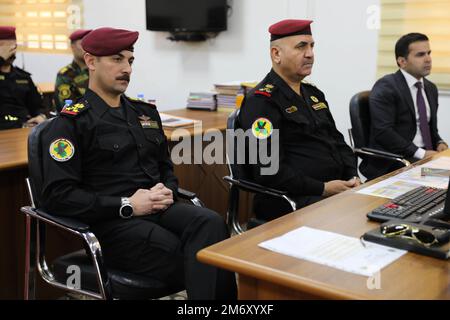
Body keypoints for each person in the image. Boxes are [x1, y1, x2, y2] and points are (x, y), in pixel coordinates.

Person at [40, 27, 237, 300]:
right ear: (91, 61)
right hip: (112, 223)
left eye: (130, 61)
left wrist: (166, 189)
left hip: (157, 208)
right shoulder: (71, 123)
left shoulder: (144, 113)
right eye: (117, 59)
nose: (126, 69)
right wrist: (127, 204)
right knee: (189, 254)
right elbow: (58, 196)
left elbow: (165, 167)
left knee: (212, 224)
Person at [238, 19, 360, 221]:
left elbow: (338, 143)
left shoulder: (314, 95)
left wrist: (352, 176)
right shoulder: (261, 102)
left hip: (332, 191)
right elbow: (268, 170)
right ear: (276, 54)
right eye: (301, 47)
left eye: (312, 46)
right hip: (289, 200)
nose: (310, 53)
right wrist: (323, 188)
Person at [361, 33, 448, 180]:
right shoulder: (386, 87)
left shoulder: (430, 88)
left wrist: (439, 142)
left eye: (429, 53)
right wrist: (421, 154)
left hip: (425, 161)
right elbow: (384, 132)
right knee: (446, 177)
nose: (428, 59)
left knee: (446, 176)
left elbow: (429, 129)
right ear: (402, 61)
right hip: (399, 163)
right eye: (420, 55)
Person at [0, 26, 46, 130]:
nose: (10, 51)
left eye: (13, 46)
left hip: (24, 129)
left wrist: (40, 116)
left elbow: (37, 106)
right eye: (3, 46)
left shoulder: (23, 77)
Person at [53, 29, 91, 112]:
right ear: (72, 46)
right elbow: (68, 108)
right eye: (82, 44)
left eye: (89, 44)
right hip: (80, 120)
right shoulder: (65, 75)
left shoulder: (97, 70)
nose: (86, 48)